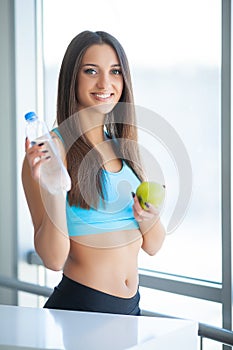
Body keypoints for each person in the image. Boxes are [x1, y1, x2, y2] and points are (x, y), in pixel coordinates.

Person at [22, 30, 166, 316]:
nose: (105, 83)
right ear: (72, 78)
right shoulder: (50, 151)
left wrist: (148, 218)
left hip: (130, 308)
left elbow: (154, 245)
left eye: (115, 72)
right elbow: (52, 259)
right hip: (82, 308)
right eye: (91, 71)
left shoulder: (125, 148)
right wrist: (54, 190)